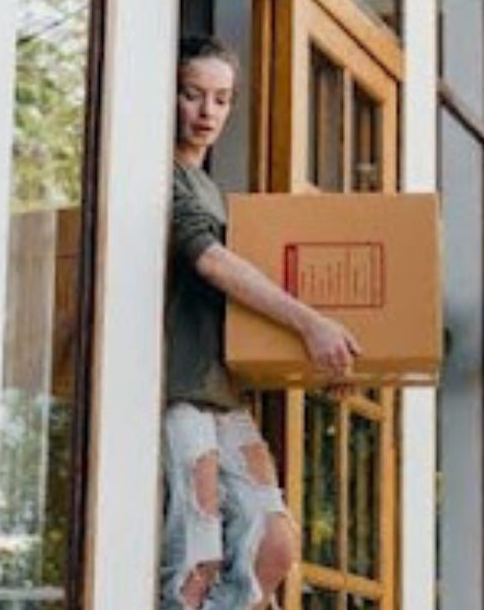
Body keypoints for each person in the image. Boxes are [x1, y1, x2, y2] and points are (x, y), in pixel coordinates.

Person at [161, 34, 361, 610]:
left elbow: (251, 299)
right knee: (196, 560)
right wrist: (311, 324)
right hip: (178, 386)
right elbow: (211, 261)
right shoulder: (161, 177)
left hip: (225, 390)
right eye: (192, 95)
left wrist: (320, 354)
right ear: (169, 96)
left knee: (272, 542)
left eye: (222, 99)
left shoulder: (219, 196)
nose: (206, 113)